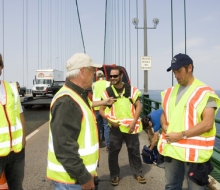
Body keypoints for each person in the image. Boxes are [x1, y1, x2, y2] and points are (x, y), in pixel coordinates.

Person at [46, 53, 115, 190]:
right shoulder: (67, 102)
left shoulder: (78, 95)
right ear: (83, 71)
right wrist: (84, 177)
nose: (95, 74)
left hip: (75, 178)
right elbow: (64, 147)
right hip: (71, 181)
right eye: (92, 70)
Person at [158, 53, 220, 190]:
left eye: (179, 71)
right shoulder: (169, 92)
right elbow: (164, 114)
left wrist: (181, 135)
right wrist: (163, 125)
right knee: (171, 186)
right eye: (174, 72)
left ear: (190, 68)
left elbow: (208, 123)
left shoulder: (204, 92)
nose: (176, 75)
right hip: (172, 150)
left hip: (194, 155)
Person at [99, 66, 146, 186]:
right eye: (111, 76)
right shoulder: (107, 92)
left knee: (134, 151)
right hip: (115, 127)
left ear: (121, 76)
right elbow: (101, 110)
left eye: (115, 76)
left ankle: (138, 173)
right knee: (113, 152)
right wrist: (110, 121)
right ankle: (114, 175)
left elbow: (139, 106)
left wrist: (134, 122)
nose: (113, 78)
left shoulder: (131, 90)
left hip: (131, 127)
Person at [0, 53, 26, 190]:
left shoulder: (11, 89)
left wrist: (23, 140)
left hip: (16, 151)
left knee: (17, 187)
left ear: (1, 67)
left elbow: (20, 115)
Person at [92, 70, 110, 150]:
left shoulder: (93, 84)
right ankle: (107, 145)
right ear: (103, 75)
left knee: (98, 126)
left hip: (96, 107)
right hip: (105, 107)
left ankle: (99, 142)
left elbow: (93, 93)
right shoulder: (108, 83)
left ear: (97, 77)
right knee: (106, 126)